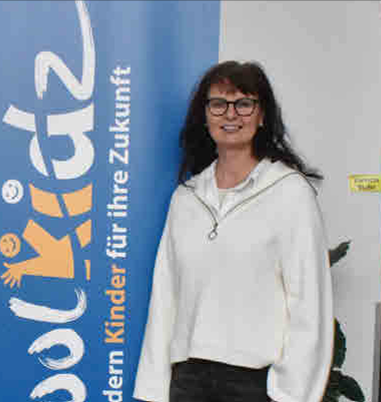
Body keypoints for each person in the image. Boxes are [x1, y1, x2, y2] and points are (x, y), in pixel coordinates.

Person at [133, 61, 333, 402]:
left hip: (256, 385)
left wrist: (291, 393)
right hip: (188, 382)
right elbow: (166, 297)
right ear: (205, 115)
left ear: (262, 115)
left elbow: (309, 302)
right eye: (218, 104)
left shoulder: (290, 193)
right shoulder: (186, 198)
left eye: (244, 103)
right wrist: (154, 389)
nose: (230, 114)